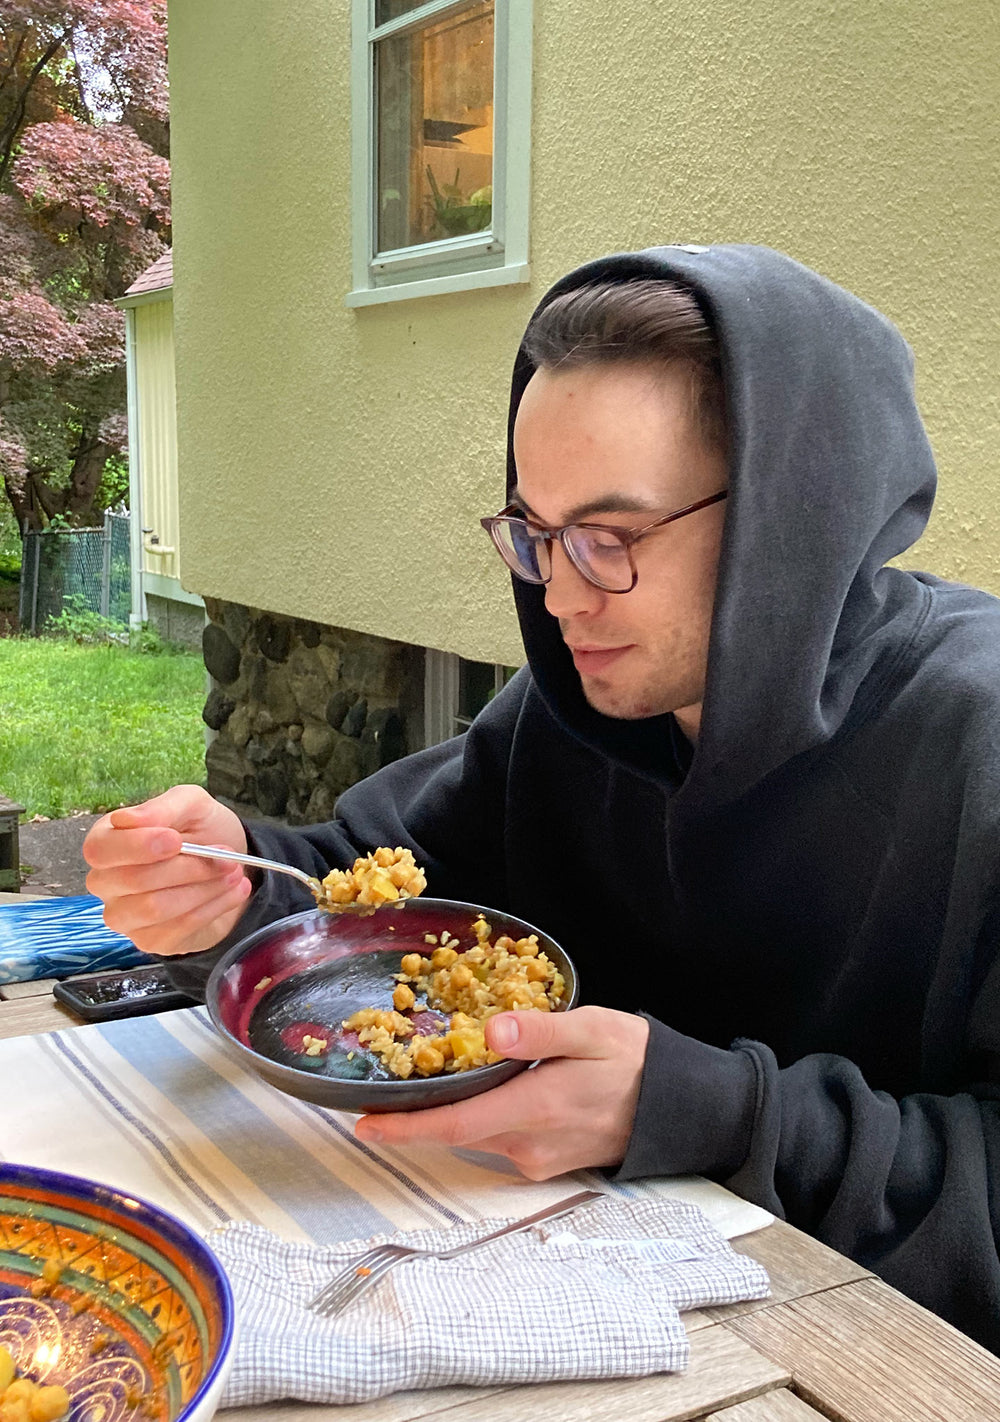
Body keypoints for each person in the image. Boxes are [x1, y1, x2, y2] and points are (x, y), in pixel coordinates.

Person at [83, 244, 1000, 1352]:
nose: (561, 595)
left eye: (610, 538)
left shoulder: (975, 737)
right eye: (536, 534)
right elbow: (367, 886)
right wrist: (228, 885)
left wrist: (704, 1109)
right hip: (552, 1303)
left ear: (790, 522)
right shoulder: (565, 711)